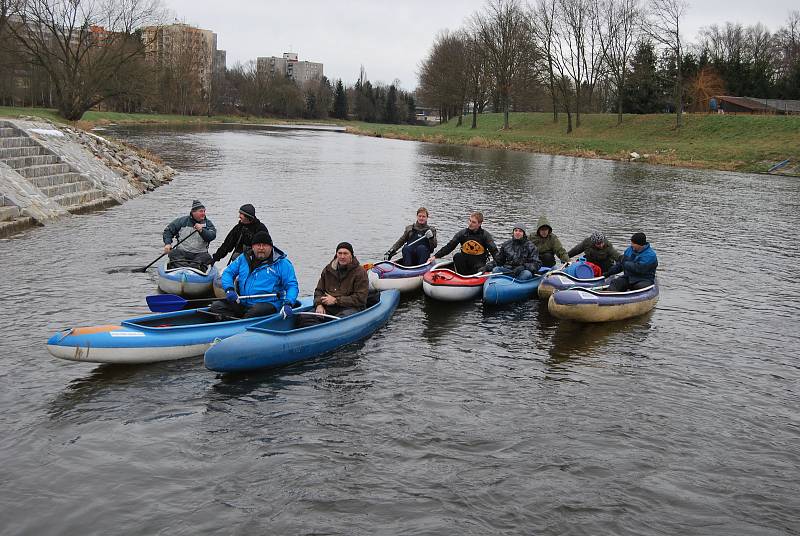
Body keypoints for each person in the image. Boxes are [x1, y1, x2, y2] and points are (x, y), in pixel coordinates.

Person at [208, 231, 298, 319]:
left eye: (265, 245)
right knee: (216, 306)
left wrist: (288, 303)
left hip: (269, 304)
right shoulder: (243, 258)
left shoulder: (283, 263)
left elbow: (292, 286)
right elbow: (228, 273)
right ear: (253, 246)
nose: (261, 248)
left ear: (271, 247)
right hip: (243, 301)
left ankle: (239, 323)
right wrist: (229, 289)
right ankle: (235, 323)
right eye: (258, 245)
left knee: (254, 312)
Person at [297, 242, 370, 327]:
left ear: (351, 255)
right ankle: (317, 333)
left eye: (345, 253)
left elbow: (360, 299)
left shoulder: (360, 273)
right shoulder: (328, 270)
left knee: (339, 322)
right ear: (336, 254)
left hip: (351, 308)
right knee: (304, 317)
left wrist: (336, 300)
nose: (342, 256)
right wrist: (319, 305)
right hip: (329, 307)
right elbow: (318, 291)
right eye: (340, 253)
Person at [429, 211, 499, 275]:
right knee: (457, 256)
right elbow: (450, 246)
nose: (470, 224)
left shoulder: (485, 235)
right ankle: (462, 276)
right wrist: (435, 256)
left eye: (473, 222)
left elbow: (494, 251)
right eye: (470, 221)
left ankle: (471, 277)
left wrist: (499, 263)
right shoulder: (462, 234)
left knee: (479, 265)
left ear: (480, 224)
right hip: (465, 264)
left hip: (478, 264)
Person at [162, 199, 217, 269]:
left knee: (207, 257)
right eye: (201, 211)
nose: (203, 213)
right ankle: (188, 268)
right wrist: (167, 244)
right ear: (193, 212)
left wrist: (202, 230)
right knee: (172, 253)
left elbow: (212, 236)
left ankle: (188, 267)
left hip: (200, 254)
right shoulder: (181, 221)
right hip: (182, 252)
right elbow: (168, 231)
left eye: (204, 211)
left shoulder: (208, 224)